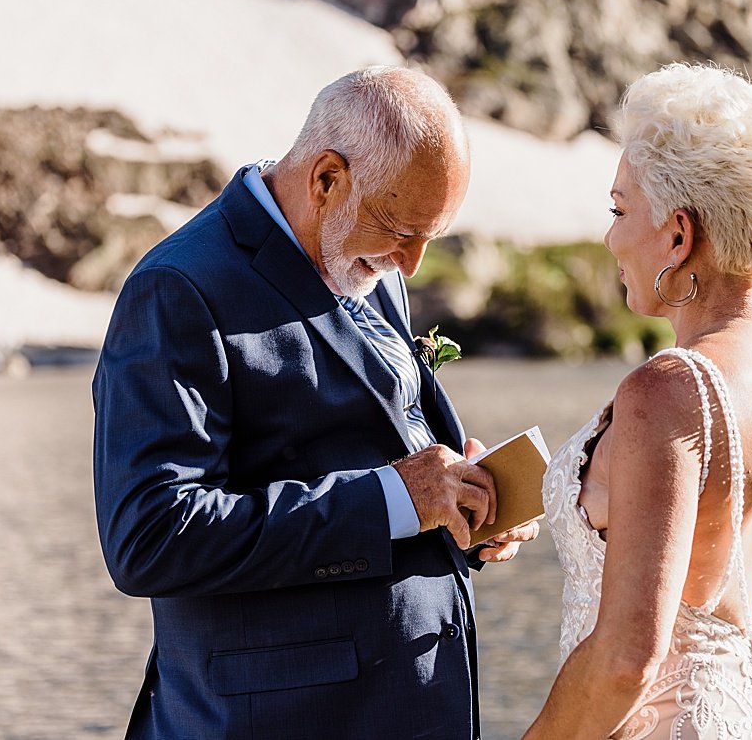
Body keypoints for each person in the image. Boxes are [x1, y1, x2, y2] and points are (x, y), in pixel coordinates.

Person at [94, 66, 539, 740]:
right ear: (327, 178)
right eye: (401, 228)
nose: (413, 264)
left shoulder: (366, 260)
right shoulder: (176, 290)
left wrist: (465, 502)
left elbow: (378, 451)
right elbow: (150, 535)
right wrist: (393, 498)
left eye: (431, 236)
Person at [525, 64, 752, 740]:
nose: (611, 237)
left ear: (679, 236)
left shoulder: (669, 392)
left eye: (621, 210)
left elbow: (626, 659)